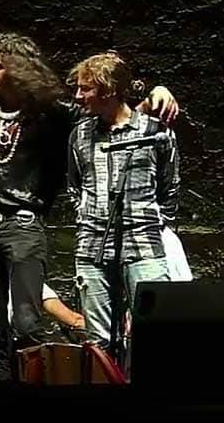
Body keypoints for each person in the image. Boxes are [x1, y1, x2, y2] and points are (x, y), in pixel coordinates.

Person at [0, 32, 178, 381]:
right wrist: (87, 214)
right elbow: (77, 183)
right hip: (53, 238)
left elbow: (164, 179)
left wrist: (156, 92)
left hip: (116, 239)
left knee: (30, 323)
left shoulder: (57, 116)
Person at [66, 51, 178, 352]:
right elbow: (74, 186)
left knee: (154, 335)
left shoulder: (155, 131)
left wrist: (156, 222)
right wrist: (87, 215)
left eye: (85, 88)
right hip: (92, 246)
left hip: (143, 244)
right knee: (99, 342)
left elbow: (169, 187)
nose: (78, 96)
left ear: (108, 90)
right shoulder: (80, 135)